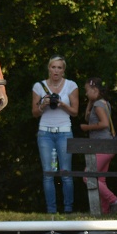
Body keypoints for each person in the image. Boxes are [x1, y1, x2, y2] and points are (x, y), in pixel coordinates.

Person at [32, 55, 78, 214]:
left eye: (59, 68)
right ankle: (51, 210)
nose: (56, 71)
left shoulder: (71, 85)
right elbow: (34, 113)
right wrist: (43, 105)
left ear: (63, 70)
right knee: (48, 173)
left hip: (64, 132)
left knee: (66, 172)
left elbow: (75, 112)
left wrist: (62, 104)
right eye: (53, 67)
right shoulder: (39, 86)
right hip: (45, 133)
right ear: (49, 68)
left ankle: (68, 209)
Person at [80, 78, 117, 215]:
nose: (86, 94)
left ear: (95, 90)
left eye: (87, 91)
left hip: (102, 146)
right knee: (100, 179)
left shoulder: (98, 105)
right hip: (108, 146)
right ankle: (105, 212)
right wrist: (90, 102)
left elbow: (104, 123)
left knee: (87, 177)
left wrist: (87, 128)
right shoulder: (103, 103)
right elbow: (87, 117)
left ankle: (114, 201)